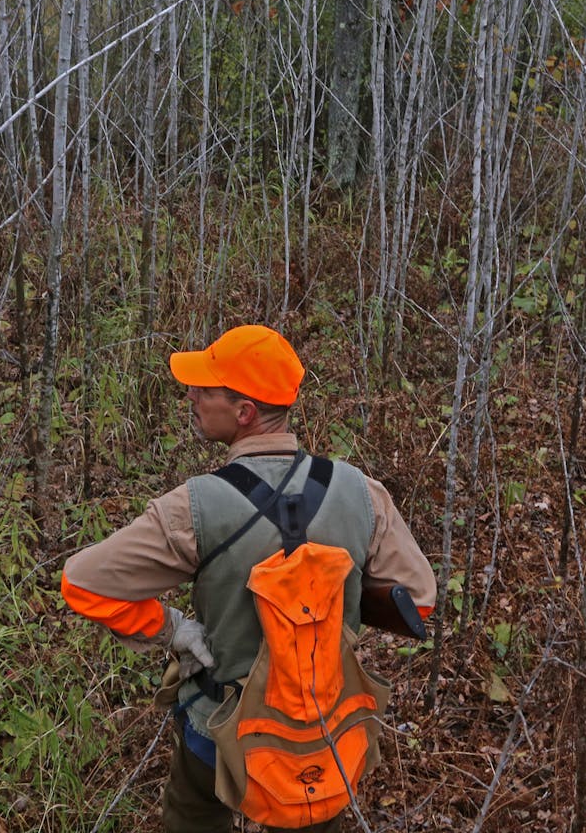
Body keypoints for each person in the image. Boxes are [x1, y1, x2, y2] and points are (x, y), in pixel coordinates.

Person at [61, 324, 435, 833]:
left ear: (245, 414)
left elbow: (82, 583)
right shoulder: (360, 492)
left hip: (215, 733)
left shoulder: (193, 507)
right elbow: (419, 599)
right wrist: (327, 611)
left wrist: (171, 630)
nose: (191, 396)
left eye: (205, 389)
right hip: (322, 738)